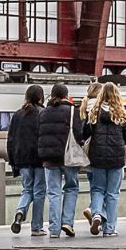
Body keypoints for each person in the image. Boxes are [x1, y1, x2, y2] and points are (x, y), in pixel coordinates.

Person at [77, 82, 126, 236]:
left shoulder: (94, 113)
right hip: (116, 159)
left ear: (101, 95)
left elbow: (84, 133)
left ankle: (96, 214)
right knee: (112, 194)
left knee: (97, 189)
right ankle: (109, 229)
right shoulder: (122, 113)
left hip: (98, 157)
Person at [34, 83, 82, 237]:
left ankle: (54, 230)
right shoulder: (72, 111)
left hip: (48, 158)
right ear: (66, 96)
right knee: (71, 188)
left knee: (53, 193)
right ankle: (67, 222)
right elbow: (79, 133)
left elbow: (38, 134)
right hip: (68, 157)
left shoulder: (43, 112)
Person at [7, 85, 47, 236]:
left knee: (27, 189)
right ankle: (36, 227)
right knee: (39, 192)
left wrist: (13, 161)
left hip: (22, 158)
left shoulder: (17, 115)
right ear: (40, 97)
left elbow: (11, 139)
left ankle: (20, 211)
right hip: (40, 158)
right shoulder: (43, 113)